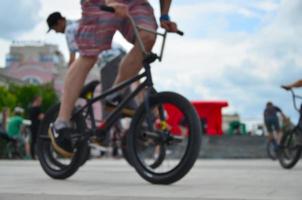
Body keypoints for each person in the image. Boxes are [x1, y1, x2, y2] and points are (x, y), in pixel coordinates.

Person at [48, 0, 179, 155]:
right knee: (89, 55)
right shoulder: (70, 29)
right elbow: (72, 58)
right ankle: (61, 122)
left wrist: (164, 16)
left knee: (148, 37)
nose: (56, 31)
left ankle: (114, 95)